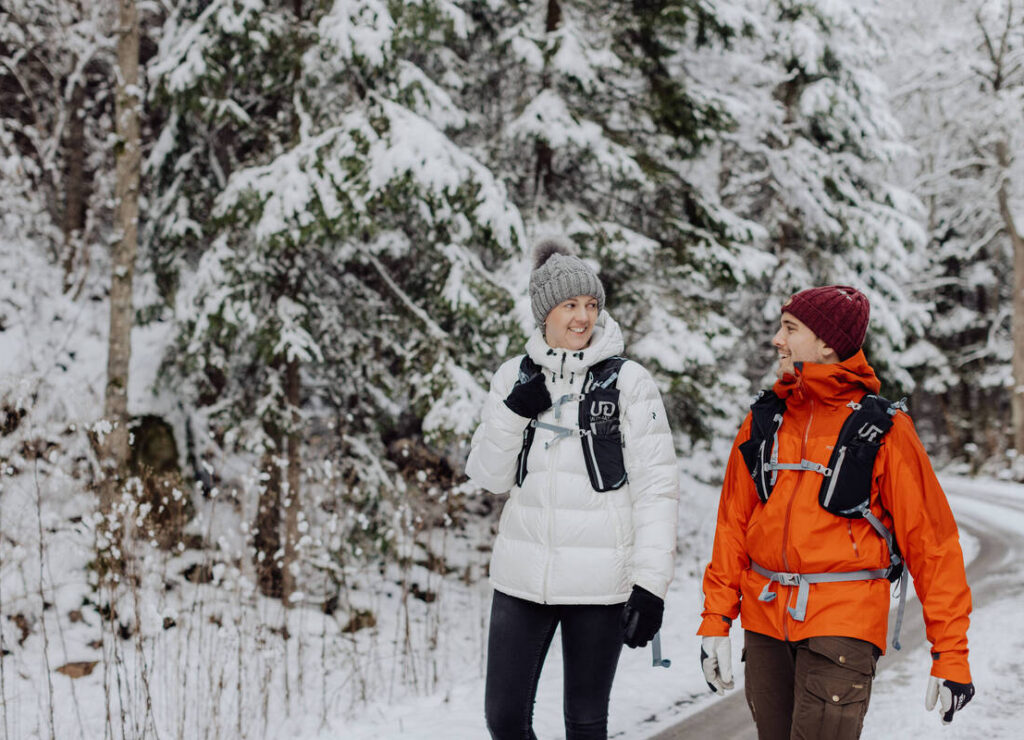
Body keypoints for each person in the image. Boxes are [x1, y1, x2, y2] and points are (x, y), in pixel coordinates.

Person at [697, 285, 975, 739]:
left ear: (827, 343)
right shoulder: (765, 420)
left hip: (842, 630)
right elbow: (732, 526)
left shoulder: (884, 429)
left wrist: (952, 656)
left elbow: (933, 546)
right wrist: (716, 620)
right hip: (765, 625)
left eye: (790, 329)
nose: (777, 340)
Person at [466, 238, 679, 740]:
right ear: (544, 313)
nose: (583, 317)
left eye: (591, 305)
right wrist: (514, 411)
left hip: (600, 585)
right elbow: (489, 476)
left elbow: (657, 489)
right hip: (521, 581)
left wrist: (651, 585)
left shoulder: (628, 382)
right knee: (503, 720)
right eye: (570, 305)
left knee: (585, 723)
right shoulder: (512, 378)